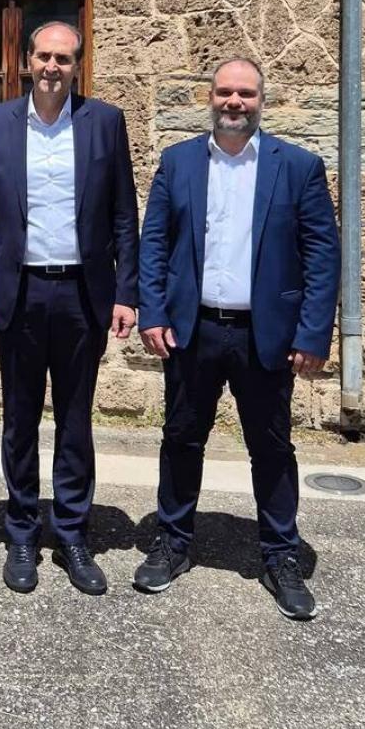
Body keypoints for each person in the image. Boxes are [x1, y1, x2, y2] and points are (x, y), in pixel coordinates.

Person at [135, 57, 340, 620]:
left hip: (263, 334)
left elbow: (322, 255)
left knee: (271, 447)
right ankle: (173, 541)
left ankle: (280, 555)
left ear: (261, 101)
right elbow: (154, 244)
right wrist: (153, 313)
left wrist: (313, 333)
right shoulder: (178, 162)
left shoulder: (297, 166)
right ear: (210, 97)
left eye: (245, 94)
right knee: (181, 438)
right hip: (193, 329)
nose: (234, 102)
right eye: (225, 92)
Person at [0, 22, 139, 595]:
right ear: (26, 59)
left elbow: (123, 214)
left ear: (77, 65)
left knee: (75, 418)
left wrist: (126, 292)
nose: (52, 67)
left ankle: (70, 532)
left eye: (63, 59)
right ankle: (21, 531)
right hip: (17, 292)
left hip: (81, 295)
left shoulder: (105, 122)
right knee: (19, 420)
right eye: (43, 56)